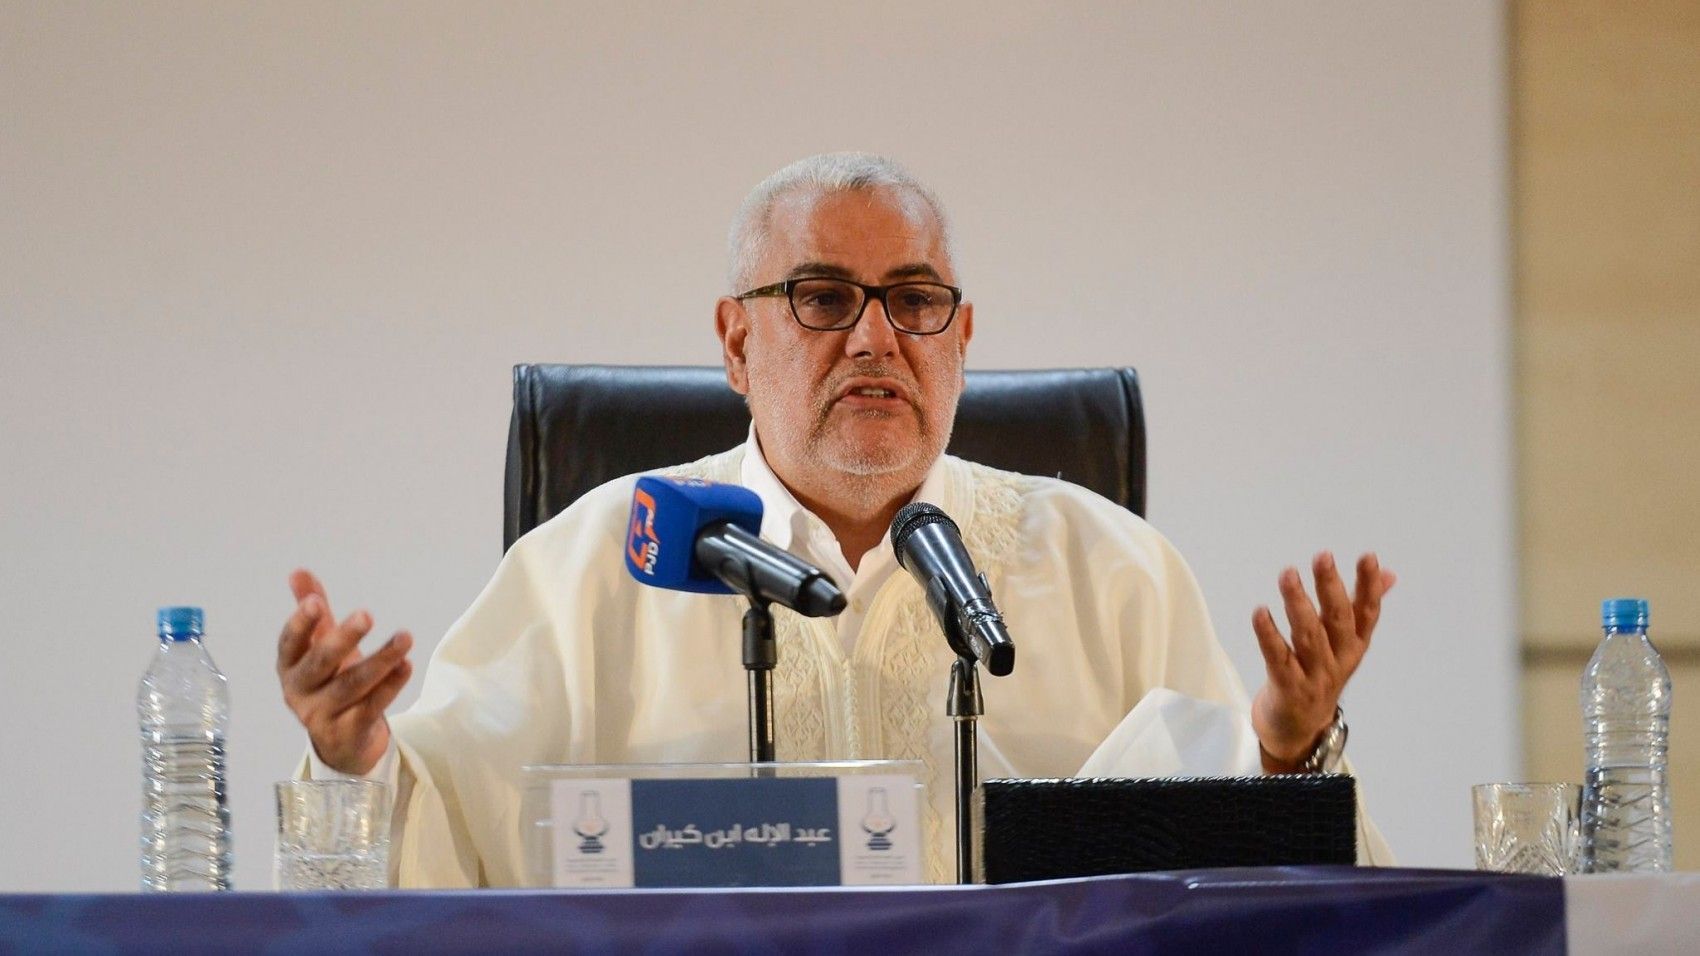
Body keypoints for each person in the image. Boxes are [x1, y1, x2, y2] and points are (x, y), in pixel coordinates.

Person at [276, 153, 1396, 886]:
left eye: (913, 300)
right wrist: (351, 756)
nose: (874, 338)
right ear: (735, 341)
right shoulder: (596, 562)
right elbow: (440, 839)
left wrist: (1284, 751)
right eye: (821, 298)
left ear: (960, 339)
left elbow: (1239, 897)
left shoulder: (1108, 569)